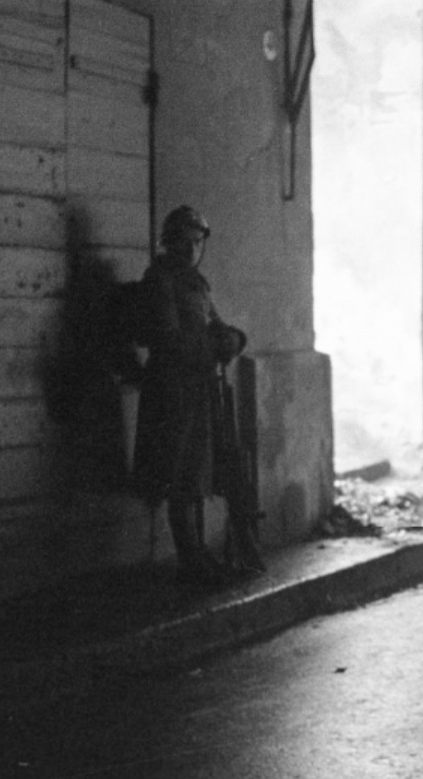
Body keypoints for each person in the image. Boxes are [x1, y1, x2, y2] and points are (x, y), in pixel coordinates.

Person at [132, 204, 257, 589]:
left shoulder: (197, 283)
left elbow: (215, 325)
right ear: (170, 242)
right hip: (171, 391)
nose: (191, 249)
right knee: (179, 477)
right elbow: (169, 341)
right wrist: (216, 346)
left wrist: (233, 338)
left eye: (198, 242)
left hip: (198, 389)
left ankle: (199, 557)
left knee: (196, 476)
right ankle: (191, 561)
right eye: (184, 242)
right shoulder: (159, 280)